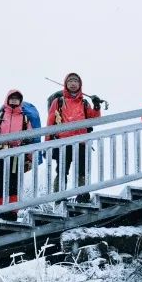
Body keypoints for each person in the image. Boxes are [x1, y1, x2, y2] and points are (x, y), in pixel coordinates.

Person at [47, 72, 101, 202]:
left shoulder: (84, 102)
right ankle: (59, 196)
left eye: (75, 81)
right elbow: (50, 122)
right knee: (62, 170)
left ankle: (82, 195)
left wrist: (97, 105)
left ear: (80, 85)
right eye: (70, 81)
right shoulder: (58, 101)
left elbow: (95, 119)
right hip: (63, 142)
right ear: (66, 84)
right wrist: (48, 143)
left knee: (82, 170)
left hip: (81, 142)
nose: (73, 83)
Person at [0, 89, 34, 220]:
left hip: (16, 156)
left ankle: (13, 211)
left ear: (20, 101)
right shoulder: (0, 116)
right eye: (12, 98)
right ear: (7, 99)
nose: (14, 100)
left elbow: (29, 137)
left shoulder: (24, 118)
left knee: (14, 183)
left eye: (16, 98)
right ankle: (1, 210)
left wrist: (29, 156)